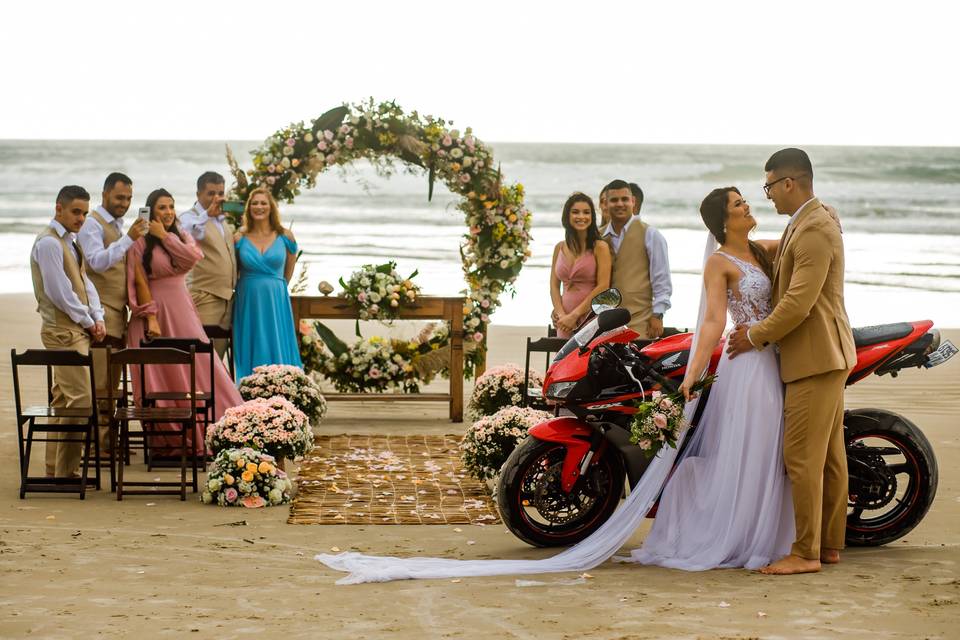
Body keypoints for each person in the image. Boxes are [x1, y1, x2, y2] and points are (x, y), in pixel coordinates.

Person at [628, 186, 794, 570]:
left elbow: (799, 233)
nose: (748, 205)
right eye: (739, 204)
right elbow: (713, 321)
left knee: (769, 448)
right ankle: (737, 533)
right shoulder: (719, 262)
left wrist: (827, 213)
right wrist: (693, 374)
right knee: (751, 446)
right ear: (723, 220)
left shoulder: (761, 249)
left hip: (773, 358)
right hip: (747, 366)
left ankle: (761, 529)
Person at [727, 148, 856, 575]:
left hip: (814, 358)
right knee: (830, 457)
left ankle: (805, 553)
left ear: (789, 183)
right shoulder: (807, 222)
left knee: (800, 457)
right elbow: (782, 258)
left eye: (768, 187)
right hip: (826, 355)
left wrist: (753, 336)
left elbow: (799, 302)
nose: (766, 197)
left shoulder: (815, 228)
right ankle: (830, 544)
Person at [126, 189, 242, 456]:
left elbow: (193, 257)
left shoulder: (179, 235)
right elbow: (139, 280)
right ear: (150, 211)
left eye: (171, 207)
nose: (167, 212)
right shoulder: (139, 242)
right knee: (160, 376)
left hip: (182, 310)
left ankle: (224, 426)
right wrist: (149, 315)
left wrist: (164, 236)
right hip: (153, 314)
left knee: (203, 364)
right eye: (161, 208)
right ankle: (169, 438)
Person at [31, 186, 105, 478]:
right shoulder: (49, 243)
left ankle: (54, 469)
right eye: (76, 211)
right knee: (81, 400)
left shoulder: (70, 241)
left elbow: (85, 283)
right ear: (58, 208)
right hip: (61, 332)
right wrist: (87, 321)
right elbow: (59, 292)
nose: (81, 218)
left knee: (62, 400)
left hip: (76, 329)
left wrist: (96, 316)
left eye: (85, 213)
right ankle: (67, 472)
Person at [77, 172, 148, 456]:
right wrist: (128, 239)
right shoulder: (92, 225)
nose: (125, 203)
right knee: (101, 383)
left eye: (129, 198)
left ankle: (108, 442)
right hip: (100, 316)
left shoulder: (117, 226)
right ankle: (97, 444)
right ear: (105, 194)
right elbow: (97, 262)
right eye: (120, 197)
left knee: (113, 383)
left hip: (118, 314)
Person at [232, 186, 302, 381]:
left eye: (263, 203)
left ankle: (282, 387)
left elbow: (288, 273)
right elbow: (232, 271)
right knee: (252, 343)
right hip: (248, 300)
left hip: (275, 300)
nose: (259, 207)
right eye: (254, 203)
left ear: (271, 207)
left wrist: (275, 288)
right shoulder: (239, 238)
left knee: (276, 342)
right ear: (248, 208)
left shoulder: (285, 236)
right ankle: (249, 388)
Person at [600, 179, 672, 338]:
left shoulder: (651, 234)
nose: (620, 204)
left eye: (624, 199)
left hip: (640, 321)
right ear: (605, 203)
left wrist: (658, 315)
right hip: (604, 322)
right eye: (614, 200)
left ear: (633, 202)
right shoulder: (599, 236)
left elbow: (662, 280)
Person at [180, 172, 236, 360]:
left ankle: (213, 391)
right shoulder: (189, 217)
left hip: (226, 299)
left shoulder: (222, 221)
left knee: (217, 360)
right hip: (204, 296)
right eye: (211, 193)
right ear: (198, 194)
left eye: (220, 193)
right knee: (200, 355)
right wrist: (206, 215)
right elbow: (187, 233)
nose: (216, 199)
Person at [549, 193, 612, 338]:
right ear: (567, 216)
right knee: (565, 360)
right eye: (575, 212)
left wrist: (575, 315)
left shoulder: (600, 247)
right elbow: (553, 286)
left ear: (592, 217)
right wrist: (561, 314)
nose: (581, 216)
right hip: (564, 319)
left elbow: (603, 286)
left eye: (586, 212)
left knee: (590, 359)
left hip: (591, 315)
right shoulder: (559, 248)